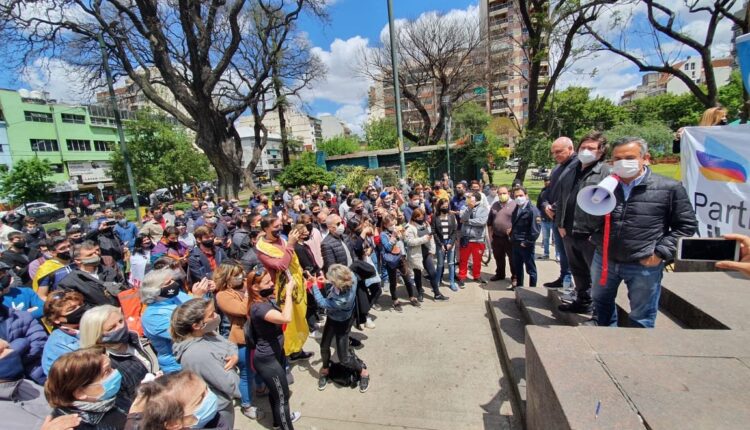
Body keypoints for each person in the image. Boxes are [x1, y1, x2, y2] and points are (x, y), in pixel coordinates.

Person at [589, 137, 698, 328]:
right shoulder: (606, 186)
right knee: (600, 303)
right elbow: (593, 219)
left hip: (644, 263)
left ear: (645, 158)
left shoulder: (669, 188)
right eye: (617, 158)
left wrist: (661, 253)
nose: (622, 162)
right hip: (605, 259)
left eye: (629, 157)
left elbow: (686, 226)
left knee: (642, 315)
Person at [555, 132, 611, 313]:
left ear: (601, 152)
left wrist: (597, 233)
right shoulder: (571, 169)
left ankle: (600, 311)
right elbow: (563, 198)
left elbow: (610, 206)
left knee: (595, 274)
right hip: (570, 232)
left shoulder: (606, 172)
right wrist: (560, 224)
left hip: (590, 235)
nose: (586, 151)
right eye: (583, 147)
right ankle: (583, 301)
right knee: (578, 271)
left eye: (591, 148)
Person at [171, 298, 241, 428]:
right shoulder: (198, 354)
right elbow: (228, 384)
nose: (216, 316)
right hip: (219, 409)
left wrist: (234, 355)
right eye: (211, 315)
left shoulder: (206, 333)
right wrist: (237, 374)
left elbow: (229, 344)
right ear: (196, 325)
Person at [247, 264, 302, 429]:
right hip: (267, 360)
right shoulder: (258, 307)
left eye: (270, 281)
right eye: (266, 283)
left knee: (276, 393)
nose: (271, 284)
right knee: (283, 398)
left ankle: (278, 423)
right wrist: (290, 291)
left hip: (276, 354)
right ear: (255, 287)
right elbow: (285, 318)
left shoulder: (265, 300)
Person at [255, 216, 311, 362]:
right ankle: (288, 353)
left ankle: (297, 349)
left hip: (296, 285)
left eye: (280, 225)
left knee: (299, 318)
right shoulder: (262, 249)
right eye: (275, 227)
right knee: (289, 323)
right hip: (282, 290)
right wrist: (291, 245)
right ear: (265, 229)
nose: (279, 229)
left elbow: (294, 261)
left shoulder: (283, 240)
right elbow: (281, 266)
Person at [214, 262, 264, 420]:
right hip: (242, 337)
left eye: (241, 272)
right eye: (236, 274)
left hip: (258, 333)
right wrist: (251, 292)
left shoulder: (245, 285)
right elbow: (243, 310)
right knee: (246, 372)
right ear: (226, 278)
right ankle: (247, 405)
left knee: (259, 365)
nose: (241, 276)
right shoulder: (222, 295)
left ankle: (261, 388)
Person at [78, 305, 158, 403]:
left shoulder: (137, 339)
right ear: (97, 335)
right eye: (112, 327)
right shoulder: (104, 366)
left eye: (121, 321)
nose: (121, 327)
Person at [310, 264, 370, 393]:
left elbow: (322, 302)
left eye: (332, 281)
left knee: (344, 358)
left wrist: (314, 284)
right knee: (324, 346)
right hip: (333, 318)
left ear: (338, 283)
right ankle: (325, 369)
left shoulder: (342, 299)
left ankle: (363, 372)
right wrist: (326, 281)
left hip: (342, 322)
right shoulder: (351, 277)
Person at [140, 268, 212, 373]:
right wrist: (197, 298)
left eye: (172, 280)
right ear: (155, 290)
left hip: (200, 354)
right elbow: (185, 332)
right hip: (179, 366)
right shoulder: (152, 316)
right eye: (168, 283)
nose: (173, 283)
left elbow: (206, 313)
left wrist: (206, 293)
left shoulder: (177, 295)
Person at [45, 348, 129, 430]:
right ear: (80, 393)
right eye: (107, 372)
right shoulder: (74, 426)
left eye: (111, 367)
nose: (115, 372)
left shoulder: (107, 397)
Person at [125, 370, 228, 430]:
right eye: (200, 398)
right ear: (173, 424)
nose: (210, 397)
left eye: (206, 389)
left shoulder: (214, 420)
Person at [542, 137, 575, 289]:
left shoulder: (577, 166)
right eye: (553, 153)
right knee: (561, 251)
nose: (556, 155)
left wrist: (554, 208)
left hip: (569, 219)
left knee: (572, 254)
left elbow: (571, 192)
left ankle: (573, 283)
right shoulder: (556, 168)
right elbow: (549, 191)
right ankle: (564, 276)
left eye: (559, 152)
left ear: (570, 148)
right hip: (555, 217)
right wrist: (546, 205)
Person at [58, 242, 121, 308]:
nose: (95, 256)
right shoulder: (69, 282)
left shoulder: (109, 271)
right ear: (78, 260)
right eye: (90, 255)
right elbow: (76, 306)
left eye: (95, 253)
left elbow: (124, 289)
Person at [0, 298, 47, 385]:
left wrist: (10, 356)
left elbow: (39, 342)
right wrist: (18, 347)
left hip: (37, 373)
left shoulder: (22, 316)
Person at [405, 208, 448, 301]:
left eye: (423, 216)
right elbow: (409, 242)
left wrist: (432, 250)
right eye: (419, 217)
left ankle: (437, 293)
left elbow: (431, 237)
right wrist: (424, 239)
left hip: (427, 253)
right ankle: (420, 293)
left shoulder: (426, 224)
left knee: (433, 273)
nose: (422, 218)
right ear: (415, 217)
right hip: (416, 255)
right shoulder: (409, 227)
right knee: (418, 274)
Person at [41, 291, 84, 376]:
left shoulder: (90, 322)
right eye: (72, 309)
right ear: (56, 319)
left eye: (80, 305)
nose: (79, 310)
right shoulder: (58, 344)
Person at [379, 215, 418, 311]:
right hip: (391, 260)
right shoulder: (383, 234)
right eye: (390, 224)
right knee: (393, 281)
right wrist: (393, 236)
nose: (393, 226)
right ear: (385, 225)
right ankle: (395, 300)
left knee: (407, 278)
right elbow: (387, 247)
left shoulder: (397, 230)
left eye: (394, 223)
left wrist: (402, 235)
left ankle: (411, 297)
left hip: (401, 257)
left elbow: (403, 243)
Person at [509, 187, 541, 288]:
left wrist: (527, 242)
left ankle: (532, 289)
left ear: (526, 196)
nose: (518, 198)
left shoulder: (532, 210)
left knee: (530, 269)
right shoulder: (517, 208)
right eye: (516, 196)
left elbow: (535, 230)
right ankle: (519, 288)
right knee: (518, 268)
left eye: (521, 195)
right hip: (515, 243)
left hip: (525, 244)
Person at [458, 191, 489, 286]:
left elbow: (481, 221)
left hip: (478, 239)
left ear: (477, 200)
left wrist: (467, 221)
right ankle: (462, 276)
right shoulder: (464, 207)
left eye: (470, 198)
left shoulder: (483, 209)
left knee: (477, 260)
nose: (468, 199)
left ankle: (477, 275)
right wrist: (469, 209)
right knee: (463, 259)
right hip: (465, 238)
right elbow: (462, 217)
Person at [488, 186, 517, 284]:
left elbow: (518, 221)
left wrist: (513, 229)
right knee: (498, 257)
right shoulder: (495, 205)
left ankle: (515, 277)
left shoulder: (515, 205)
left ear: (508, 193)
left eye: (504, 193)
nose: (502, 195)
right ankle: (500, 274)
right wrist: (490, 235)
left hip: (510, 238)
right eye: (499, 194)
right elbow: (490, 221)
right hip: (496, 237)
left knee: (513, 258)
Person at [432, 198, 459, 292]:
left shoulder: (451, 215)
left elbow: (455, 231)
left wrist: (451, 243)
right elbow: (434, 231)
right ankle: (437, 281)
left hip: (450, 242)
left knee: (451, 263)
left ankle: (452, 282)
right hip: (440, 242)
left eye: (446, 206)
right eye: (443, 206)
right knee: (440, 264)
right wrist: (440, 244)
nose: (445, 207)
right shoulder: (435, 216)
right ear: (439, 206)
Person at [536, 178, 557, 261]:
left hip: (553, 219)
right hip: (544, 219)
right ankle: (546, 253)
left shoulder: (556, 192)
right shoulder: (542, 192)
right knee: (545, 238)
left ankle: (558, 255)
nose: (547, 183)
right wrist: (539, 215)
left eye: (548, 181)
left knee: (556, 239)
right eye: (545, 182)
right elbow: (539, 204)